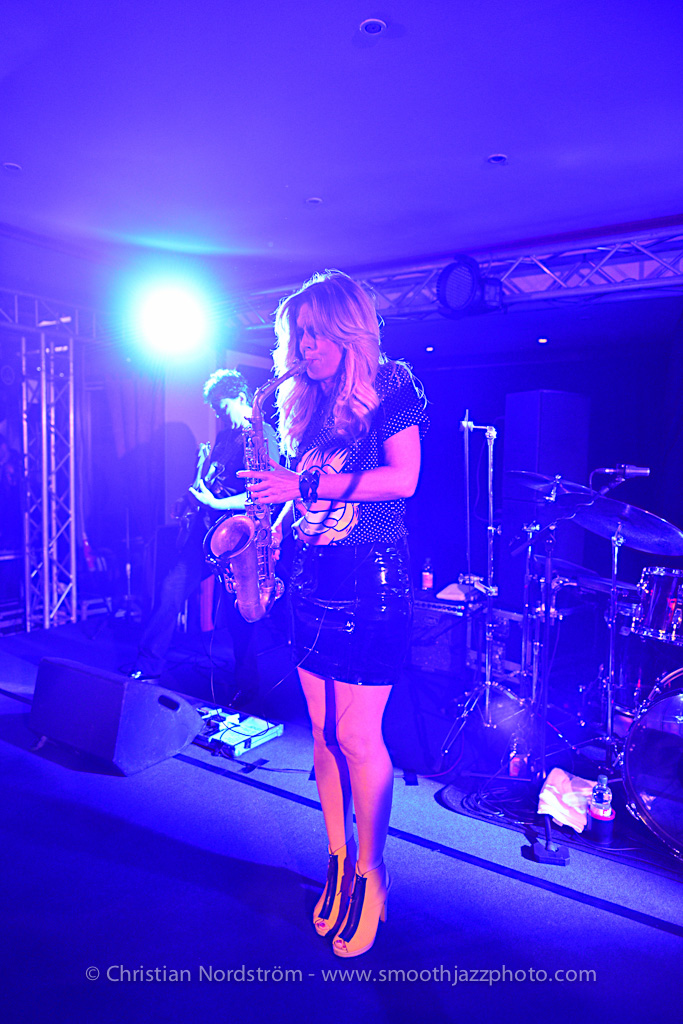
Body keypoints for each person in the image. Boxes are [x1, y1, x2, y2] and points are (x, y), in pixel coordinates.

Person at [240, 270, 428, 957]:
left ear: (348, 330)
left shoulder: (392, 384)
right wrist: (272, 521)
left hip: (371, 578)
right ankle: (338, 859)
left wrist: (305, 482)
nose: (304, 349)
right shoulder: (303, 402)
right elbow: (303, 495)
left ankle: (372, 873)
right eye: (297, 336)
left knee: (356, 734)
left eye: (315, 335)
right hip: (310, 577)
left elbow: (404, 479)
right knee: (321, 733)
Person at [130, 369, 277, 707]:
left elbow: (264, 495)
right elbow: (211, 482)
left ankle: (247, 687)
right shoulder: (225, 437)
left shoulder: (263, 434)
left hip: (238, 538)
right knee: (170, 591)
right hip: (206, 533)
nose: (219, 416)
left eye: (222, 408)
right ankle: (148, 667)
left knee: (240, 615)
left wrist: (215, 503)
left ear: (241, 397)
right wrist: (192, 494)